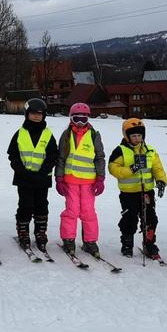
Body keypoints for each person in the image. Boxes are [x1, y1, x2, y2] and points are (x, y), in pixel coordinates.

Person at [108, 117, 167, 257]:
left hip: (146, 192)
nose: (137, 138)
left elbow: (158, 168)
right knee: (130, 219)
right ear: (126, 136)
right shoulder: (120, 151)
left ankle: (149, 243)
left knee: (150, 218)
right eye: (133, 136)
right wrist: (132, 169)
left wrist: (161, 181)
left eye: (139, 135)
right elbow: (113, 169)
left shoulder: (150, 151)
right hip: (129, 193)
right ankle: (127, 243)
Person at [7, 97, 58, 252]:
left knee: (42, 205)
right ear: (27, 114)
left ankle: (40, 232)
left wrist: (42, 173)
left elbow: (52, 157)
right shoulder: (20, 134)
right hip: (24, 179)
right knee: (25, 205)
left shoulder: (48, 135)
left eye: (40, 113)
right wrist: (22, 172)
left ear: (44, 115)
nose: (36, 116)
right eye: (33, 113)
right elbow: (13, 156)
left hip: (42, 179)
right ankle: (23, 231)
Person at [55, 102, 106, 257]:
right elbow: (61, 158)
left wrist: (100, 178)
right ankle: (68, 239)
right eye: (77, 119)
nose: (80, 122)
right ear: (71, 118)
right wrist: (59, 178)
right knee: (72, 211)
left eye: (83, 119)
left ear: (88, 119)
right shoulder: (66, 135)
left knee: (88, 212)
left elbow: (99, 157)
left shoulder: (93, 135)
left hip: (89, 182)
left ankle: (90, 241)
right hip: (70, 180)